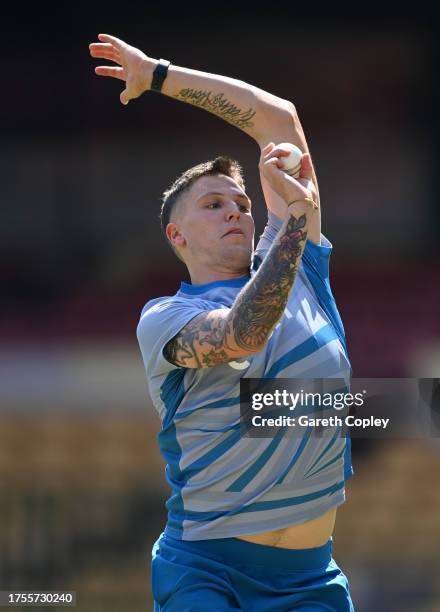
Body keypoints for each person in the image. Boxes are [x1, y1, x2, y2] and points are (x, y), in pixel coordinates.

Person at [90, 33, 355, 612]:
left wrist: (157, 74)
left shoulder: (300, 268)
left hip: (312, 578)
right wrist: (292, 223)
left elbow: (277, 117)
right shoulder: (164, 318)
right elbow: (242, 333)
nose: (235, 209)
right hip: (208, 570)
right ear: (176, 236)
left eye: (241, 201)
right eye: (213, 204)